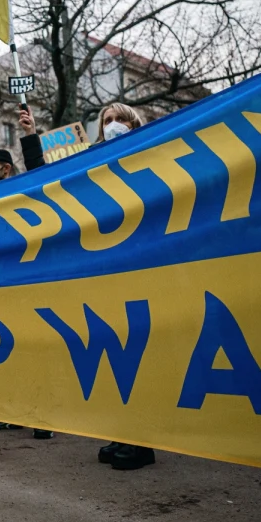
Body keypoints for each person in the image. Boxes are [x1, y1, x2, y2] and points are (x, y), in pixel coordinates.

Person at [87, 102, 156, 472]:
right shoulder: (95, 168)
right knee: (114, 353)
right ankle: (122, 432)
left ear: (135, 124)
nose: (112, 125)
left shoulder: (149, 157)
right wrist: (32, 136)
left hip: (140, 268)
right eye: (107, 121)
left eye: (120, 120)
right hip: (107, 271)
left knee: (136, 353)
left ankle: (142, 440)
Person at [0, 131, 54, 441]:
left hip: (27, 283)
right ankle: (14, 414)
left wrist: (30, 136)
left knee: (33, 352)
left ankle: (42, 417)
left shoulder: (22, 191)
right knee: (9, 354)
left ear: (6, 168)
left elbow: (41, 177)